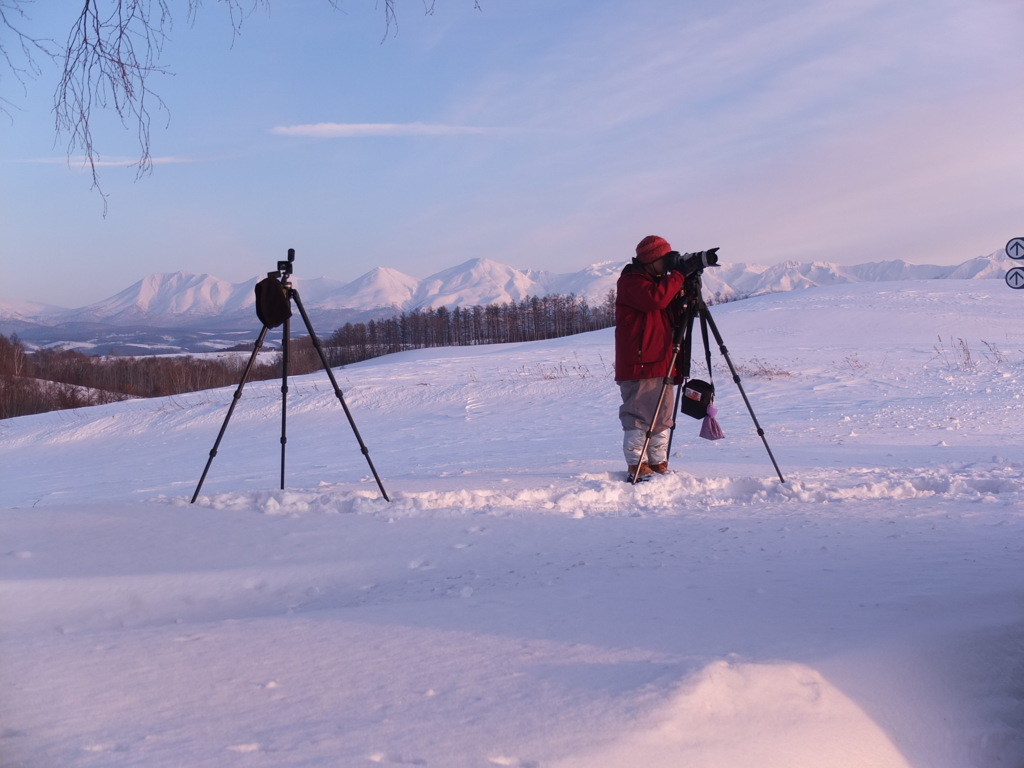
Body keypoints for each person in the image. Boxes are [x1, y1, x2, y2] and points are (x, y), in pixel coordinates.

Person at [614, 235, 687, 481]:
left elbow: (670, 307)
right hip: (640, 362)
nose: (668, 263)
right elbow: (655, 300)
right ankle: (637, 464)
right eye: (665, 259)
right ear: (651, 260)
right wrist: (678, 275)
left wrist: (683, 285)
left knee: (662, 415)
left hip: (661, 359)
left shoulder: (656, 282)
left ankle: (657, 463)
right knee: (640, 415)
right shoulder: (632, 282)